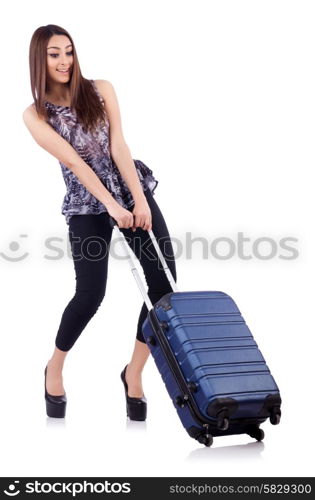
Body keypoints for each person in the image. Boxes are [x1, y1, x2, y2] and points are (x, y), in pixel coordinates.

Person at [22, 24, 177, 420]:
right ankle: (54, 366)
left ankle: (134, 373)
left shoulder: (101, 88)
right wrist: (112, 206)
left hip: (129, 190)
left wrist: (138, 199)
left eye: (69, 52)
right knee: (91, 295)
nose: (63, 61)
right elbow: (75, 162)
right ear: (40, 59)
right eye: (54, 54)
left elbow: (119, 146)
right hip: (87, 205)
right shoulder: (36, 114)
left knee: (162, 287)